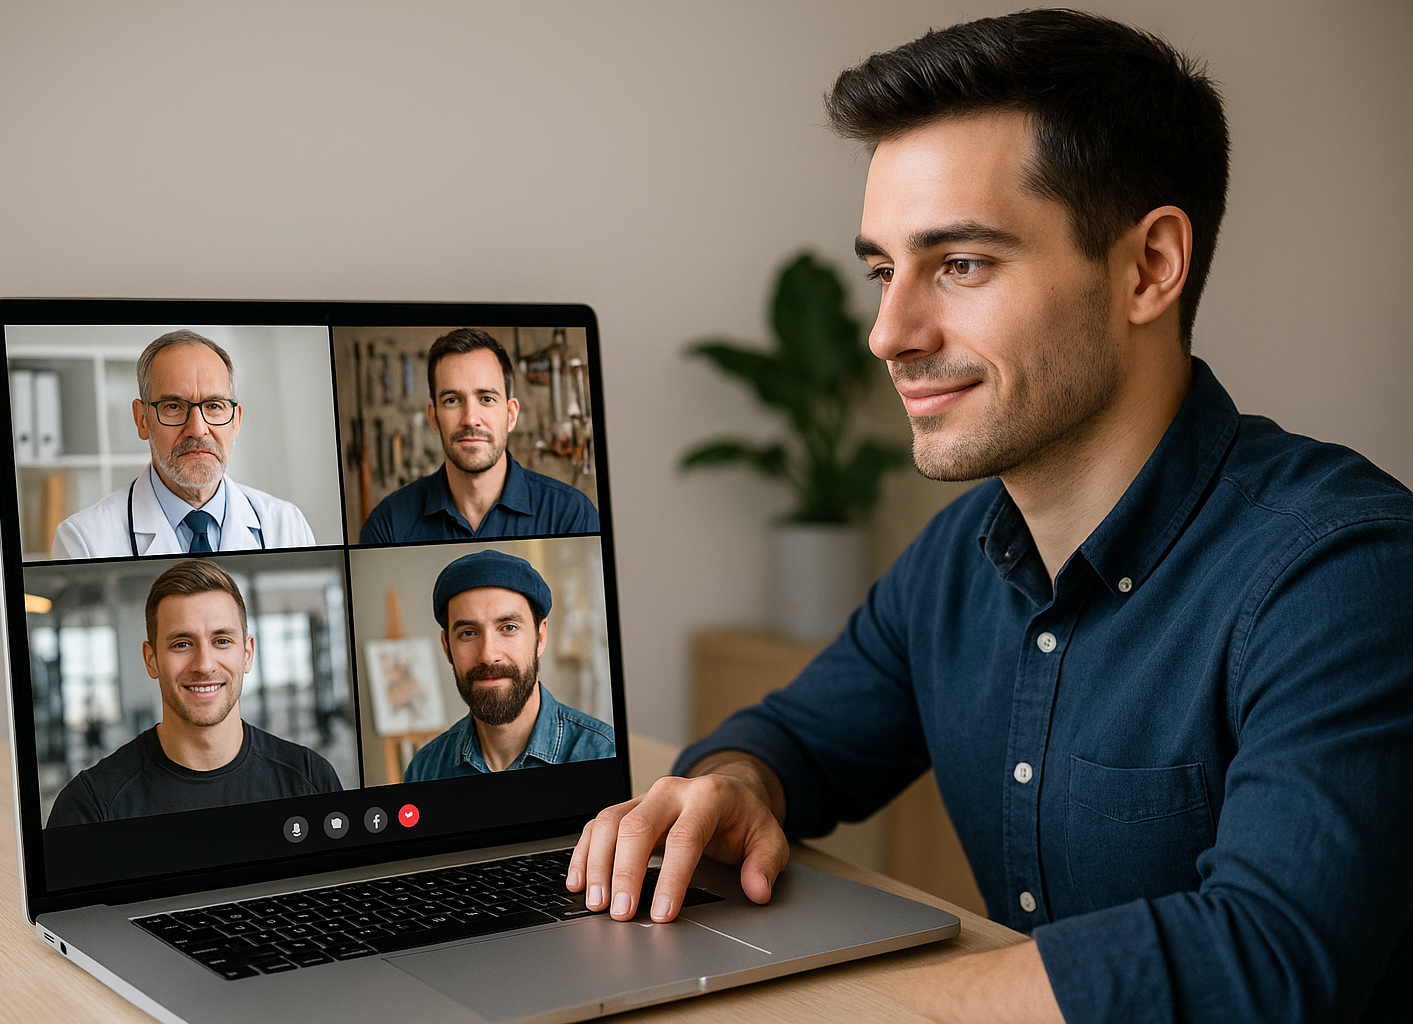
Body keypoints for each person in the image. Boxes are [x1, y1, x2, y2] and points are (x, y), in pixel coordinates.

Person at [567, 11, 1413, 1024]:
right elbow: (798, 736)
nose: (889, 333)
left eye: (960, 263)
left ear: (1149, 267)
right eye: (883, 269)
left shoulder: (1343, 574)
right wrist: (741, 782)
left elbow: (1268, 957)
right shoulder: (959, 560)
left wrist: (875, 1007)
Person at [46, 559, 342, 826]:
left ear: (248, 653)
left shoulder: (311, 780)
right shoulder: (90, 807)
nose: (204, 665)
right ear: (151, 659)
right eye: (182, 644)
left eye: (222, 641)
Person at [52, 329, 316, 558]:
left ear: (235, 421)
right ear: (142, 420)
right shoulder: (83, 540)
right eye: (174, 407)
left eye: (214, 406)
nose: (197, 430)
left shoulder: (287, 525)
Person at [358, 329, 600, 544]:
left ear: (511, 415)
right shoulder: (388, 525)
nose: (471, 418)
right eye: (452, 400)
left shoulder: (570, 516)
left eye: (487, 399)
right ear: (434, 418)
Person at [402, 549, 614, 782]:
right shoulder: (424, 771)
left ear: (540, 638)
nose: (488, 655)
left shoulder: (603, 754)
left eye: (508, 627)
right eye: (468, 633)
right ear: (447, 646)